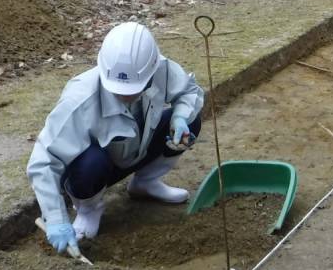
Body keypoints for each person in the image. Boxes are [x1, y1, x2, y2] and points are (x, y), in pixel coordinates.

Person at [27, 21, 205, 254]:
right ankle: (89, 210)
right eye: (119, 91)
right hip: (95, 170)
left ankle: (145, 183)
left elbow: (189, 91)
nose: (126, 95)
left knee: (191, 120)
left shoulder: (161, 69)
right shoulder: (78, 100)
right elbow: (43, 161)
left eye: (134, 89)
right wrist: (56, 219)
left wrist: (180, 118)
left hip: (137, 148)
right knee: (90, 161)